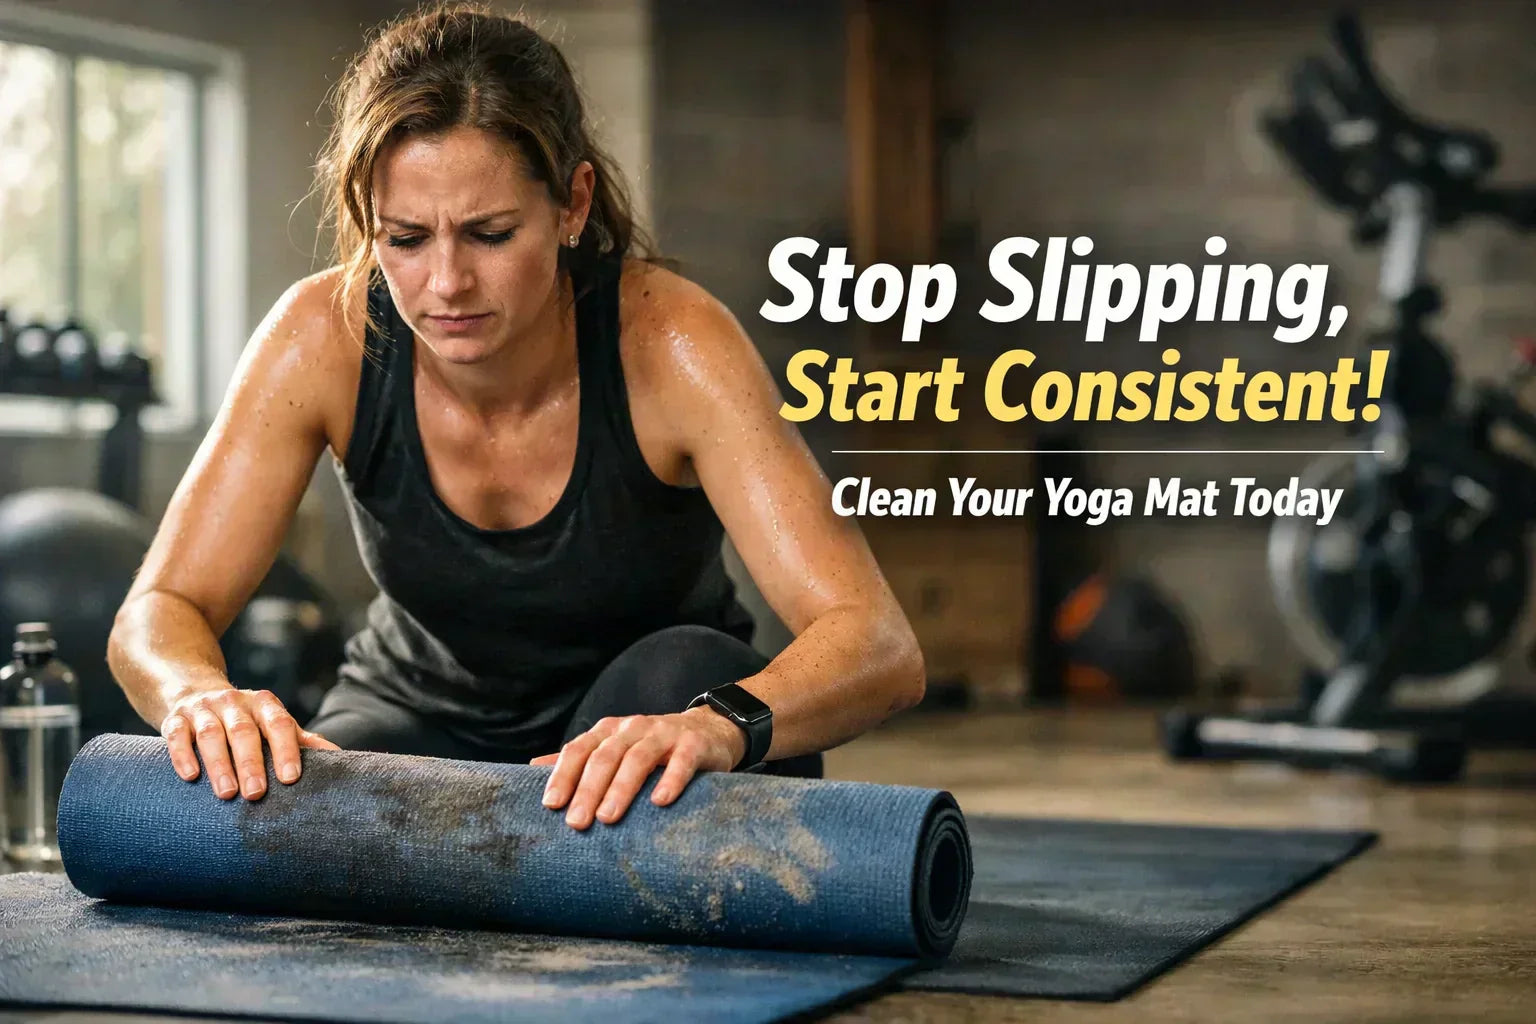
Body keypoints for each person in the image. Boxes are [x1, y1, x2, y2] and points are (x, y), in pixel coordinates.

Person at [107, 1, 924, 832]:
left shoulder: (673, 341)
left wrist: (718, 726)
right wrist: (199, 699)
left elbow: (877, 644)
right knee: (269, 804)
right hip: (415, 721)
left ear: (572, 205)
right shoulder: (323, 335)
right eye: (407, 238)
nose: (447, 283)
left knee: (686, 673)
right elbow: (158, 608)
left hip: (645, 715)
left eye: (490, 234)